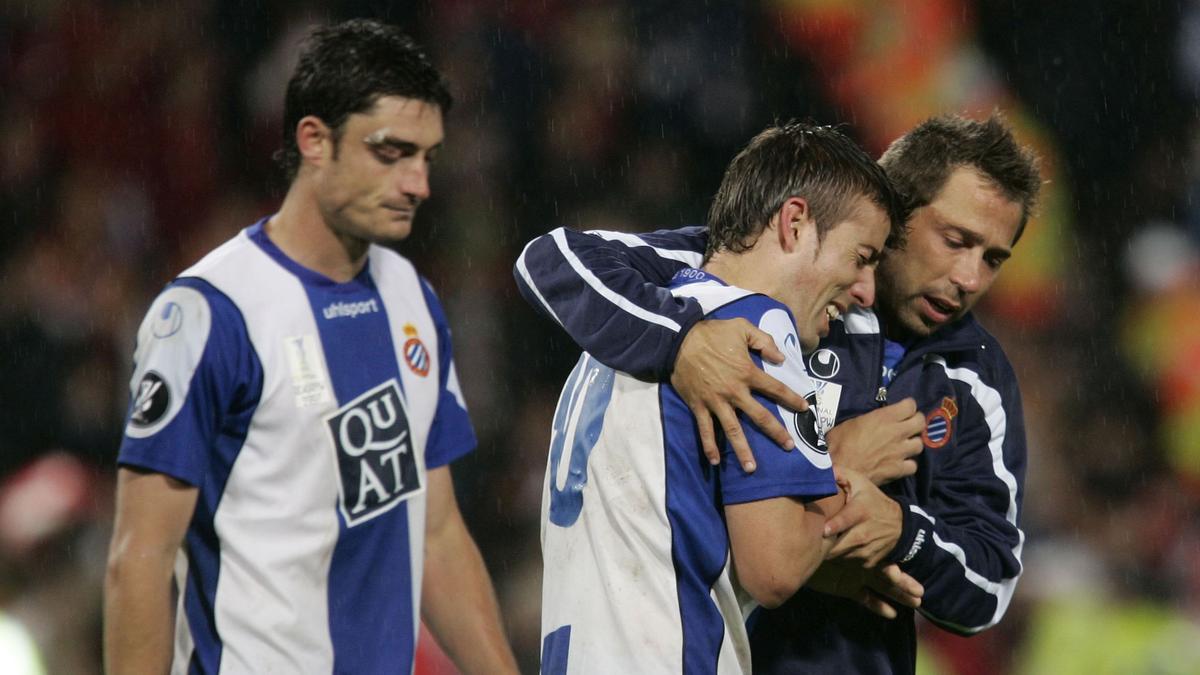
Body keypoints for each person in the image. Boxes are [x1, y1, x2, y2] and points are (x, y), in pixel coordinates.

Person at [517, 113, 1040, 673]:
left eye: (992, 259)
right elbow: (553, 260)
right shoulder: (747, 295)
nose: (969, 278)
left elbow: (989, 585)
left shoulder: (977, 380)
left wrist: (902, 531)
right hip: (712, 650)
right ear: (897, 217)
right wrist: (684, 344)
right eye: (955, 240)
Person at [103, 20, 518, 675]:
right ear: (314, 140)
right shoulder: (210, 313)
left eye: (427, 157)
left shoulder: (412, 297)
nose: (418, 184)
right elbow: (140, 557)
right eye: (391, 152)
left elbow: (435, 531)